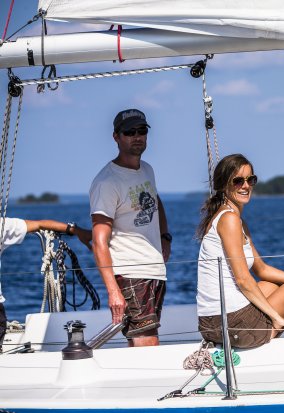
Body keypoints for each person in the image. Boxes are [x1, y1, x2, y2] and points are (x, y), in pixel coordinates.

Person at [196, 154, 284, 349]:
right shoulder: (229, 219)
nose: (246, 186)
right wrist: (277, 317)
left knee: (271, 285)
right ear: (224, 185)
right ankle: (266, 339)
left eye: (251, 180)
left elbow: (261, 269)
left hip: (211, 323)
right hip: (228, 323)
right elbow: (243, 279)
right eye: (238, 181)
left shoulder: (235, 220)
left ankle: (263, 332)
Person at [90, 109, 171, 348]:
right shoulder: (107, 182)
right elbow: (99, 241)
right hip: (130, 272)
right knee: (147, 340)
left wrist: (165, 237)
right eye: (130, 132)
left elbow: (156, 201)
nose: (137, 136)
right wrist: (113, 290)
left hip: (154, 270)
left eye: (142, 131)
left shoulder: (147, 169)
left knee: (143, 338)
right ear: (116, 137)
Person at [0, 219, 91, 353]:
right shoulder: (3, 225)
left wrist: (74, 230)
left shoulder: (4, 225)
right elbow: (40, 224)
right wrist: (75, 230)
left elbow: (40, 224)